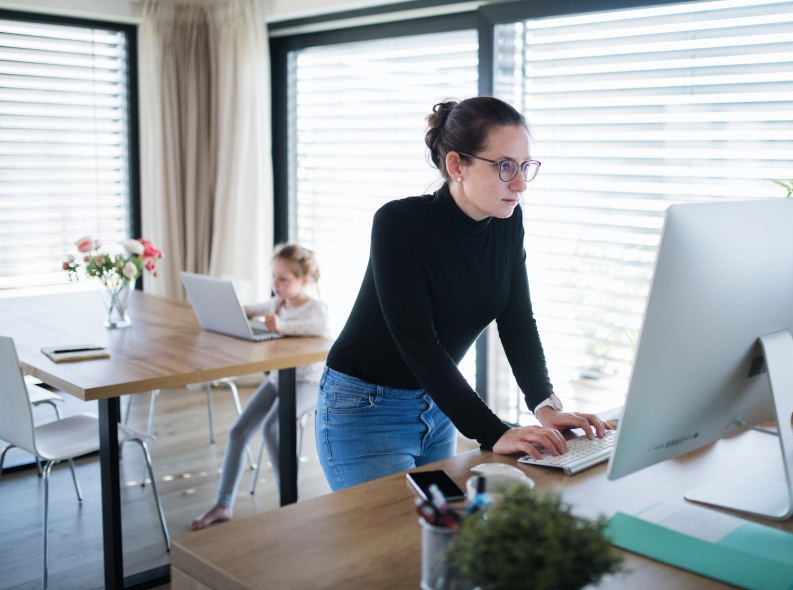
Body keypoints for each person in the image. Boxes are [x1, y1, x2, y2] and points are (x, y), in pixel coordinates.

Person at [316, 96, 609, 492]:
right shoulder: (400, 224)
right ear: (457, 165)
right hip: (366, 410)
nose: (520, 184)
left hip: (437, 406)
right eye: (505, 166)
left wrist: (545, 406)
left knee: (445, 536)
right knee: (395, 541)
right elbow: (418, 343)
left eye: (525, 167)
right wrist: (492, 432)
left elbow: (517, 319)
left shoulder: (506, 219)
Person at [190, 244, 329, 530]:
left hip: (307, 383)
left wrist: (281, 326)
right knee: (238, 432)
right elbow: (246, 311)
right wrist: (221, 304)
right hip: (278, 380)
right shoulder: (276, 304)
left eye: (283, 278)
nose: (275, 284)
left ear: (304, 280)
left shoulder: (316, 309)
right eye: (273, 276)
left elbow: (321, 328)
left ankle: (288, 501)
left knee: (272, 429)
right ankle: (223, 503)